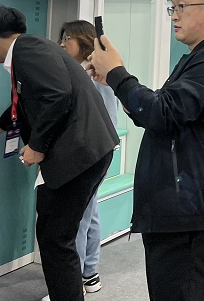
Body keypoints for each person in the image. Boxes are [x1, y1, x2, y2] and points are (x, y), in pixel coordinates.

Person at [88, 0, 204, 301]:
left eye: (181, 6)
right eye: (172, 7)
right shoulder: (202, 57)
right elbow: (162, 113)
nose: (174, 15)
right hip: (181, 204)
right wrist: (114, 81)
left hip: (190, 209)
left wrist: (117, 73)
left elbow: (159, 112)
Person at [0, 6, 119, 301]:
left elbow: (57, 95)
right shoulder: (32, 49)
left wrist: (37, 147)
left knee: (55, 238)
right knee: (56, 234)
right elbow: (25, 102)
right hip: (89, 152)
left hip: (78, 154)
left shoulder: (27, 52)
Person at [57, 20, 119, 295]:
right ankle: (89, 274)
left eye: (67, 38)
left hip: (91, 154)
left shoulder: (94, 74)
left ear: (83, 42)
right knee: (89, 212)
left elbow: (104, 118)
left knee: (79, 217)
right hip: (97, 152)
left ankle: (74, 282)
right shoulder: (84, 72)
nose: (62, 44)